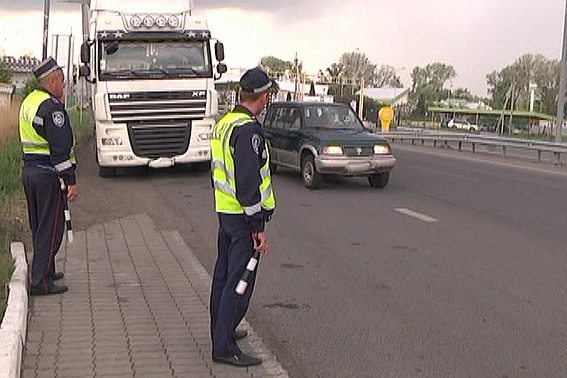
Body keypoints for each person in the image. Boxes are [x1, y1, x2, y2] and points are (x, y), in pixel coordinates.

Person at [209, 67, 276, 367]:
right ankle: (224, 347)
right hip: (242, 218)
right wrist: (257, 226)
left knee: (223, 277)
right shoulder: (248, 130)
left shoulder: (224, 123)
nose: (267, 101)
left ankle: (220, 330)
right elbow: (248, 182)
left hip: (226, 212)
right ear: (261, 96)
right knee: (239, 282)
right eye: (268, 96)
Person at [19, 57, 78, 296]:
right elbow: (60, 148)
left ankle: (47, 270)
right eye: (62, 81)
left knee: (39, 226)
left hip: (30, 172)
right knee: (51, 229)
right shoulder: (51, 107)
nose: (63, 86)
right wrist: (71, 180)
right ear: (51, 80)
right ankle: (41, 282)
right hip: (47, 174)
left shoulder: (29, 101)